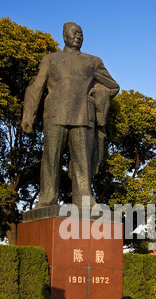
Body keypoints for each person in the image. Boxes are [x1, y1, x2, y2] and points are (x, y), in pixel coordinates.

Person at [21, 22, 119, 209]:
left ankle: (84, 199)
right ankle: (47, 198)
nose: (78, 36)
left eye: (81, 33)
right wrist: (28, 116)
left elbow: (112, 86)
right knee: (51, 159)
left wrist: (97, 92)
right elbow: (36, 88)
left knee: (83, 161)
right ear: (64, 36)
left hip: (83, 115)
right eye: (74, 33)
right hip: (55, 115)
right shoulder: (50, 59)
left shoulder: (93, 61)